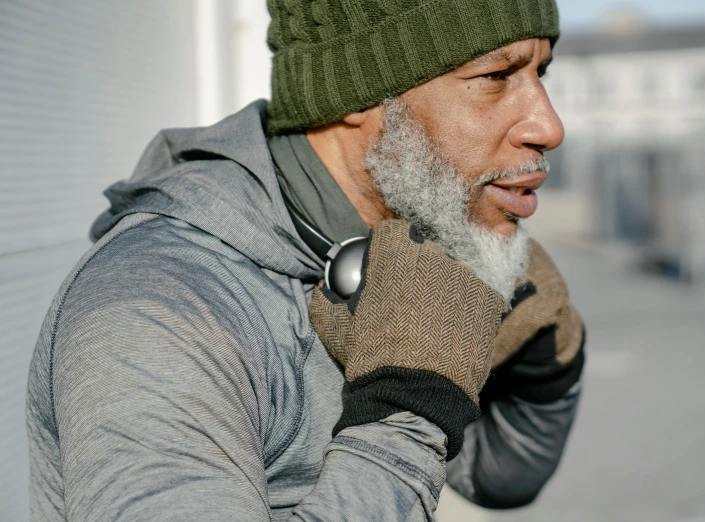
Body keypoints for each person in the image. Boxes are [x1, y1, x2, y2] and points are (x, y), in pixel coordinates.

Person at [26, 0, 585, 519]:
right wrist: (406, 408)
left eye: (541, 73)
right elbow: (416, 438)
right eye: (496, 76)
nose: (549, 126)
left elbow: (495, 474)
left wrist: (543, 372)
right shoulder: (154, 315)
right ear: (359, 93)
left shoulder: (406, 253)